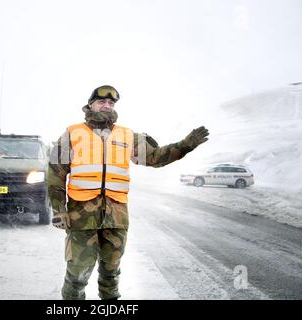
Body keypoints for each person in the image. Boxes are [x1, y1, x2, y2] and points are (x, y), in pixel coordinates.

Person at [47, 85, 209, 300]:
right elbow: (55, 174)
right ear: (91, 104)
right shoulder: (72, 133)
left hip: (116, 215)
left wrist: (187, 144)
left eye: (111, 103)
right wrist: (59, 209)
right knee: (77, 273)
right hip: (81, 215)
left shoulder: (127, 135)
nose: (107, 105)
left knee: (111, 274)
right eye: (102, 101)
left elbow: (156, 157)